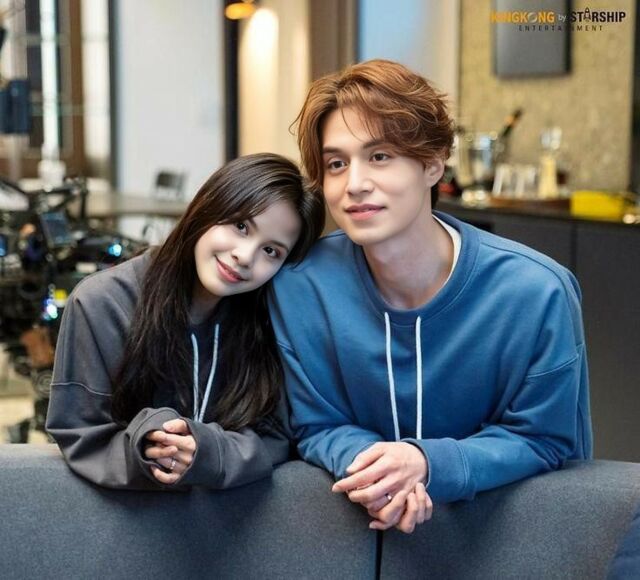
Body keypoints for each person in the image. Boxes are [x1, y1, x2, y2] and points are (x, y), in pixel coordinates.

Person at [269, 60, 592, 533]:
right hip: (350, 534)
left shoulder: (536, 292)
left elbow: (546, 438)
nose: (355, 184)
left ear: (433, 164)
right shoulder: (300, 286)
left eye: (380, 156)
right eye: (337, 164)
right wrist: (381, 471)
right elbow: (314, 423)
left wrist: (426, 463)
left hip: (501, 539)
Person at [46, 153, 325, 490]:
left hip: (230, 517)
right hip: (123, 515)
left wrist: (208, 452)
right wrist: (152, 445)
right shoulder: (103, 303)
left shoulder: (268, 318)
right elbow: (81, 432)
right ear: (207, 207)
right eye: (240, 226)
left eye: (271, 251)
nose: (244, 256)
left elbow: (276, 434)